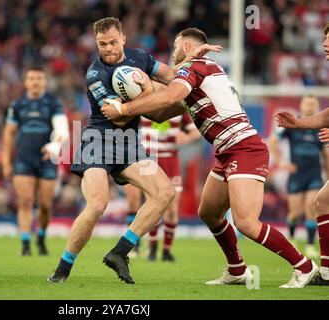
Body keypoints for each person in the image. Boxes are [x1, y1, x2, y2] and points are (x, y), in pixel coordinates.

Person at [102, 27, 319, 288]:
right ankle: (237, 270)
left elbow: (171, 95)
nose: (172, 52)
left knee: (247, 222)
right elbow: (161, 113)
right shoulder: (198, 74)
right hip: (227, 150)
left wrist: (124, 107)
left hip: (244, 148)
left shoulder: (194, 67)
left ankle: (305, 268)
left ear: (185, 48)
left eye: (174, 46)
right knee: (209, 213)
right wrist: (143, 96)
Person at [47, 17, 177, 285]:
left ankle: (120, 252)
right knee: (97, 204)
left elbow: (172, 77)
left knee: (164, 192)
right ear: (96, 43)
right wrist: (149, 91)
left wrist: (179, 85)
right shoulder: (95, 74)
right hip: (99, 141)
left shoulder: (140, 57)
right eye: (102, 44)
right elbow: (117, 117)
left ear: (123, 39)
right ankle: (62, 269)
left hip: (129, 143)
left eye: (113, 42)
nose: (107, 48)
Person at [274, 23, 329, 286]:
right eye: (325, 39)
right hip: (299, 172)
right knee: (321, 203)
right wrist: (297, 123)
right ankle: (327, 275)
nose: (326, 45)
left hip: (312, 172)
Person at [3, 67, 68, 256]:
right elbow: (9, 133)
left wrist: (55, 145)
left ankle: (40, 236)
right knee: (25, 201)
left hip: (47, 158)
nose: (36, 82)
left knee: (45, 204)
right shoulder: (17, 105)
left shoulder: (53, 103)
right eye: (31, 78)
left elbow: (61, 129)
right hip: (24, 158)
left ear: (45, 82)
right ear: (25, 83)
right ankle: (25, 244)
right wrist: (6, 162)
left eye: (39, 78)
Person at [124, 110, 200, 261]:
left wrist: (186, 136)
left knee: (172, 209)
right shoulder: (147, 104)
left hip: (171, 160)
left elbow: (196, 132)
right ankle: (152, 248)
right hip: (149, 159)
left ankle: (166, 251)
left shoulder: (178, 107)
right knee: (152, 204)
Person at [269, 96, 328, 258]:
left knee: (311, 209)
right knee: (295, 213)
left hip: (314, 173)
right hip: (296, 174)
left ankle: (309, 244)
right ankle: (292, 238)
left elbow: (325, 153)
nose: (309, 107)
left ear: (317, 107)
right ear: (301, 106)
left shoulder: (320, 128)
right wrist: (281, 163)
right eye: (307, 104)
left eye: (313, 104)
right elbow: (272, 142)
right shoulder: (292, 125)